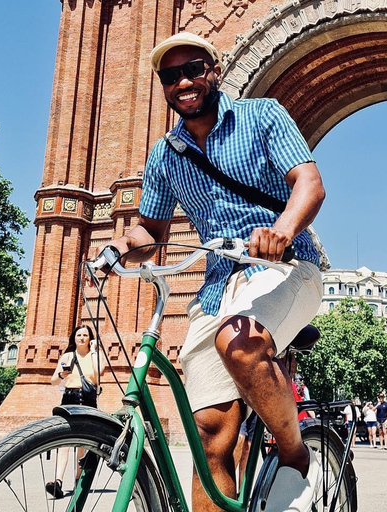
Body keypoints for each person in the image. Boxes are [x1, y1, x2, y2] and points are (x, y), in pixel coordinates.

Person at [98, 32, 326, 512]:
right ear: (163, 86)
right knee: (210, 437)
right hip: (217, 285)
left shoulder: (261, 115)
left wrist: (281, 230)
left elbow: (308, 182)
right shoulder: (165, 154)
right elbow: (150, 231)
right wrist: (121, 246)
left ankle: (294, 453)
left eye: (193, 69)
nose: (183, 81)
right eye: (171, 75)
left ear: (214, 71)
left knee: (239, 344)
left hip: (285, 267)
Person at [46, 325, 106, 499]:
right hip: (69, 399)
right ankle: (58, 481)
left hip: (87, 400)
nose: (81, 338)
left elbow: (99, 373)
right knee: (64, 443)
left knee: (81, 444)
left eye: (85, 335)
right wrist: (62, 375)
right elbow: (53, 381)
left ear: (90, 338)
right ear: (74, 338)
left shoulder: (95, 355)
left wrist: (94, 350)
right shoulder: (67, 356)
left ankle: (79, 481)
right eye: (79, 335)